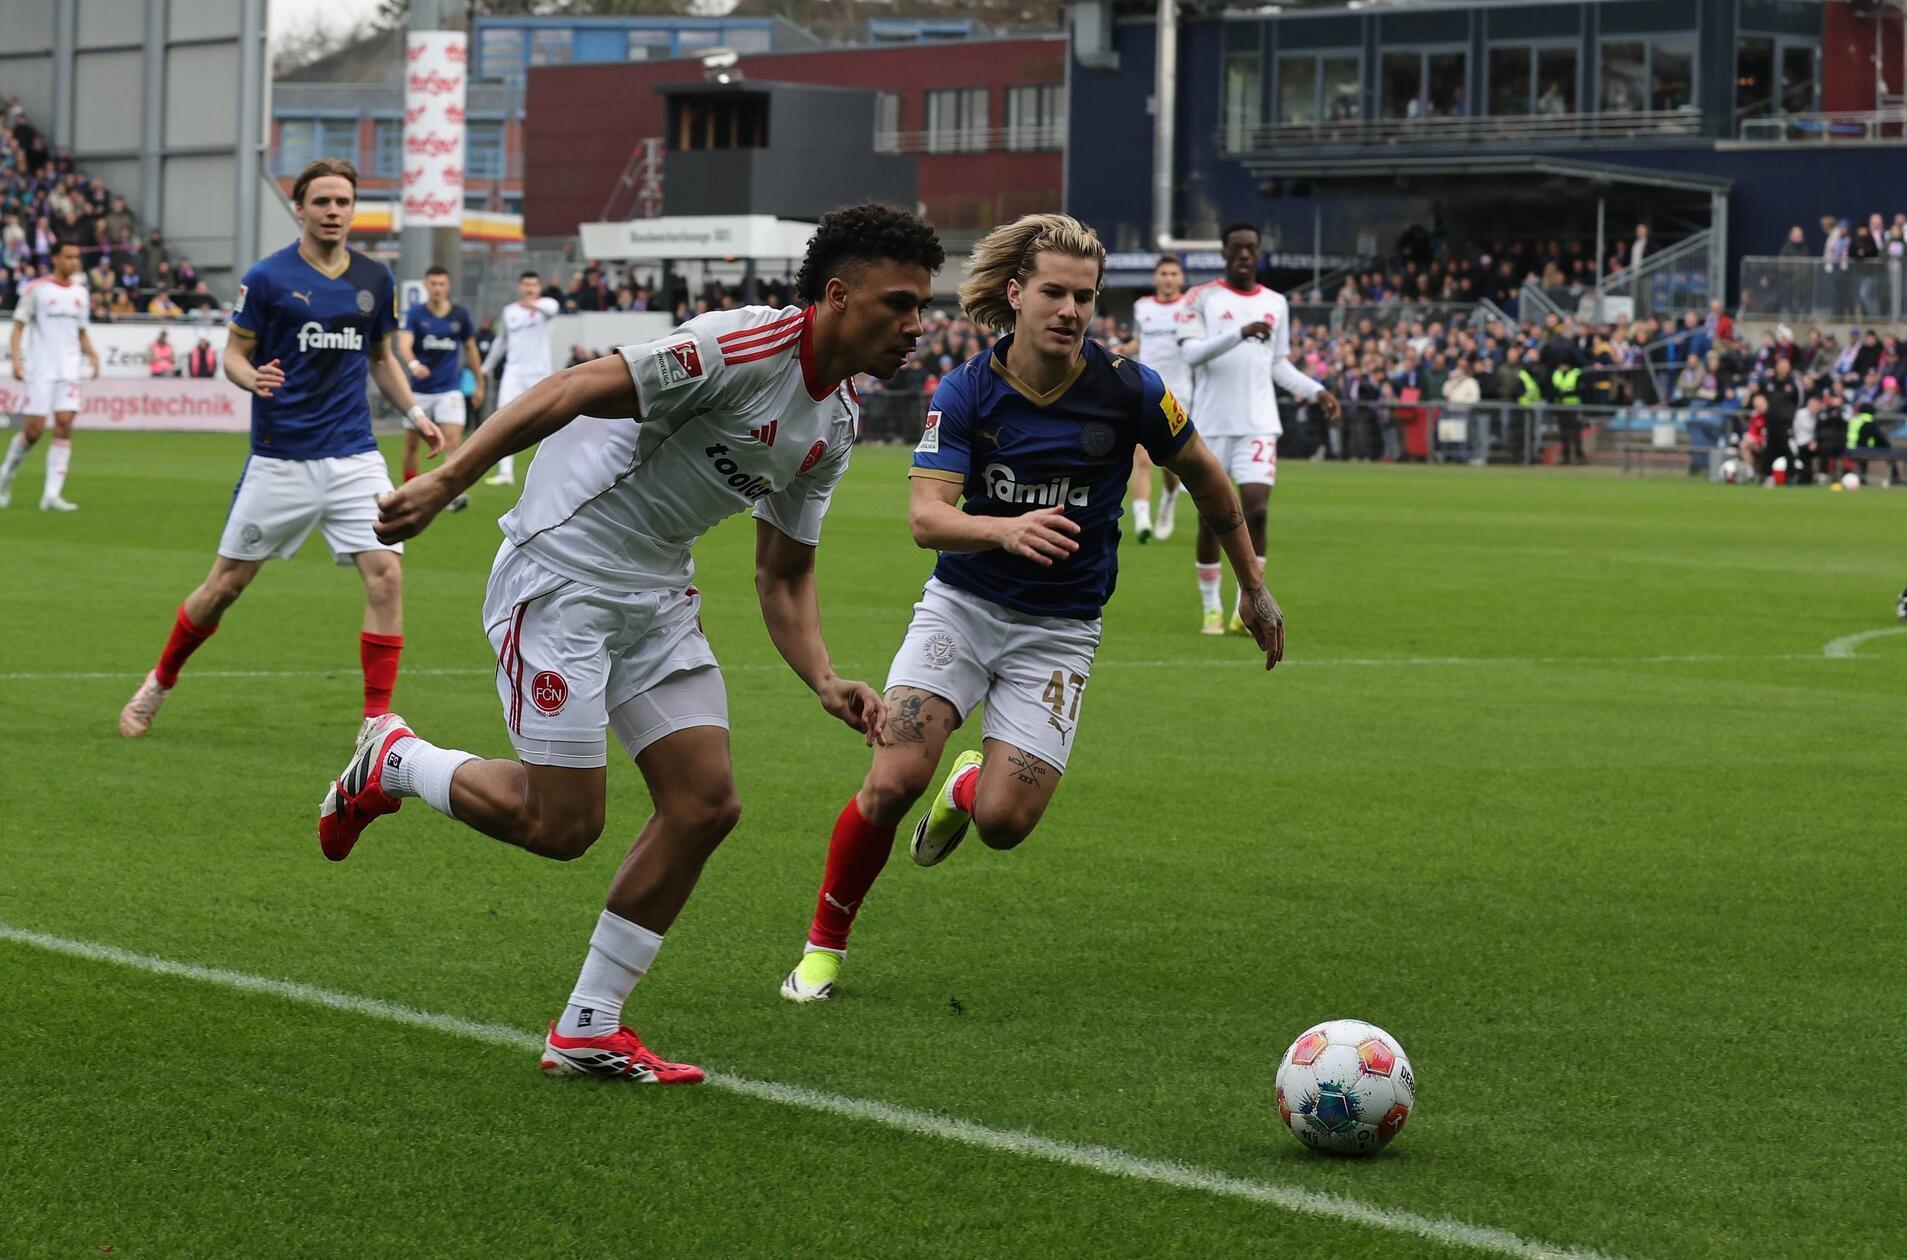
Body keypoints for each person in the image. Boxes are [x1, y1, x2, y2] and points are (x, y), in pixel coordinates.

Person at [319, 202, 944, 1083]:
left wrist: (823, 677)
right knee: (562, 825)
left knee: (705, 804)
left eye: (922, 305)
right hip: (560, 574)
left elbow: (783, 574)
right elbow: (567, 390)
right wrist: (447, 480)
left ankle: (587, 1026)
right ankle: (395, 761)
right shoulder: (738, 346)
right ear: (837, 296)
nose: (916, 325)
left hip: (655, 594)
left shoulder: (833, 423)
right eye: (899, 304)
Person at [776, 212, 1285, 1005]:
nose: (1070, 310)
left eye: (1083, 296)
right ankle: (822, 950)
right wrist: (1001, 529)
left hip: (1059, 632)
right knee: (891, 778)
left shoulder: (1130, 390)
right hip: (963, 609)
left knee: (1005, 825)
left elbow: (1213, 483)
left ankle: (968, 787)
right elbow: (926, 519)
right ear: (1015, 294)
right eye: (1053, 291)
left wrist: (1251, 584)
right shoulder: (969, 390)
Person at [117, 158, 444, 738]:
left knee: (386, 577)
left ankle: (376, 726)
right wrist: (251, 378)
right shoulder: (267, 278)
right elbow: (233, 354)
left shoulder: (375, 279)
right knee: (224, 588)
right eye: (321, 202)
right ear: (300, 209)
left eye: (343, 201)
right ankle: (159, 682)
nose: (333, 211)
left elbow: (382, 359)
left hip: (354, 457)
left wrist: (415, 413)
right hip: (280, 458)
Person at [1177, 221, 1339, 634]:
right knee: (1211, 519)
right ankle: (1210, 607)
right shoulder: (1202, 298)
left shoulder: (1276, 303)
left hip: (1258, 425)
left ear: (1259, 253)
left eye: (1252, 248)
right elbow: (1193, 355)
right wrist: (1239, 333)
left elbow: (1278, 364)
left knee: (1258, 512)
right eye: (1237, 248)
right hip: (1212, 425)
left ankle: (1242, 605)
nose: (1245, 255)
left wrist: (1316, 391)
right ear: (1224, 254)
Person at [1, 237, 99, 511]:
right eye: (68, 256)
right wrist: (17, 361)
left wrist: (92, 354)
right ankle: (5, 475)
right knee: (33, 431)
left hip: (69, 369)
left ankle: (51, 495)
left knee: (64, 424)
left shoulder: (81, 293)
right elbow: (18, 326)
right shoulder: (37, 290)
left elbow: (81, 331)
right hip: (41, 368)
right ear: (55, 258)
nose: (74, 262)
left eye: (76, 257)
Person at [397, 264, 483, 511]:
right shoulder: (415, 313)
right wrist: (414, 365)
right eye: (433, 284)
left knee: (453, 441)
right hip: (419, 391)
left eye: (442, 284)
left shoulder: (459, 315)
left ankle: (451, 494)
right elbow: (404, 344)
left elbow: (471, 349)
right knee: (413, 443)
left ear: (449, 286)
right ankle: (408, 491)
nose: (437, 288)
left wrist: (479, 382)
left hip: (449, 389)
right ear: (426, 285)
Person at [1121, 254, 1190, 543]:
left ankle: (1169, 498)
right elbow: (1141, 341)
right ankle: (1142, 521)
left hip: (1179, 390)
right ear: (1155, 277)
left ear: (1181, 278)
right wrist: (1119, 351)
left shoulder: (1190, 307)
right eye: (1164, 273)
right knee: (1141, 456)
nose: (1168, 278)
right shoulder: (1143, 307)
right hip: (1146, 387)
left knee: (1171, 460)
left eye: (1174, 273)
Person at [478, 271, 558, 486]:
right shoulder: (510, 311)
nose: (530, 288)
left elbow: (551, 312)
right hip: (513, 372)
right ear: (519, 287)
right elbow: (501, 341)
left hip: (539, 373)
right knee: (504, 417)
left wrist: (532, 304)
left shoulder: (547, 305)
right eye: (526, 285)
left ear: (538, 287)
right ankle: (506, 472)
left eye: (533, 284)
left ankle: (550, 469)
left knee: (548, 421)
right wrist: (486, 367)